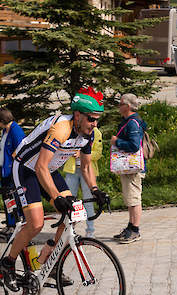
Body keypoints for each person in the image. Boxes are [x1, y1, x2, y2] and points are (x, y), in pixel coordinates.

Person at [0, 87, 109, 292]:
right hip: (26, 168)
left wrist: (95, 190)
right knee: (36, 224)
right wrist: (55, 196)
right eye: (91, 119)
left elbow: (85, 166)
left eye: (97, 120)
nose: (95, 124)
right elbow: (40, 166)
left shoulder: (88, 134)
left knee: (74, 212)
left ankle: (48, 260)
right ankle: (7, 264)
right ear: (78, 115)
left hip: (47, 169)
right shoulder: (61, 129)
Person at [110, 93, 146, 244]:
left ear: (128, 106)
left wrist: (117, 142)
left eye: (120, 104)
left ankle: (135, 230)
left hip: (133, 168)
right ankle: (130, 227)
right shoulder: (128, 121)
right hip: (128, 168)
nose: (119, 106)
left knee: (134, 199)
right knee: (129, 199)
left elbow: (134, 145)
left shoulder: (132, 123)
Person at [63, 127, 103, 238]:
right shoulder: (73, 130)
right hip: (72, 171)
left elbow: (98, 154)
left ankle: (90, 231)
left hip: (88, 171)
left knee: (88, 202)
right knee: (69, 201)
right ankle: (69, 230)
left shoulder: (96, 133)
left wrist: (82, 154)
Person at [0, 108, 25, 236]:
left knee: (13, 198)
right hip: (4, 170)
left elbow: (22, 149)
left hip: (13, 171)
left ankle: (16, 224)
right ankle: (10, 224)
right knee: (6, 198)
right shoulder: (5, 130)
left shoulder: (15, 130)